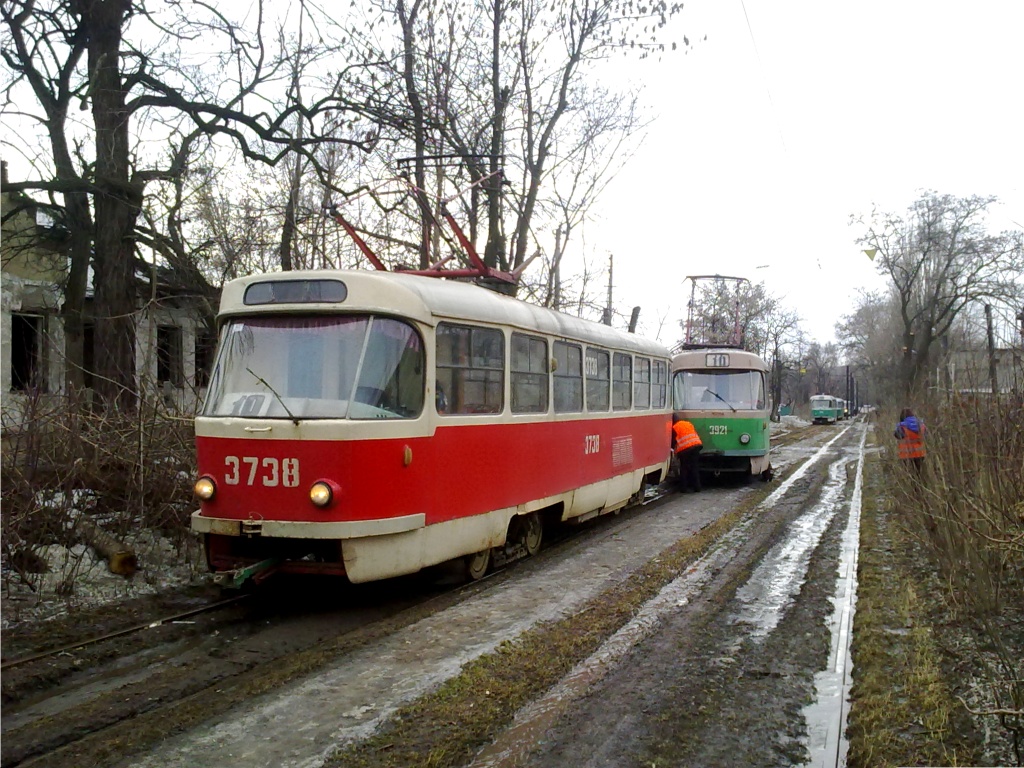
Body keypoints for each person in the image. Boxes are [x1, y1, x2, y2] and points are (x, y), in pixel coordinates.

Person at [672, 416, 703, 493]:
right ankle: (697, 488)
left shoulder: (674, 427)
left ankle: (683, 488)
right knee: (694, 467)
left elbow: (673, 441)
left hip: (685, 449)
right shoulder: (688, 423)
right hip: (697, 445)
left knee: (684, 468)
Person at [894, 407, 926, 474]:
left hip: (906, 455)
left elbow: (897, 436)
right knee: (919, 473)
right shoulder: (921, 425)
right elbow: (925, 436)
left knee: (909, 474)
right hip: (920, 454)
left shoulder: (901, 427)